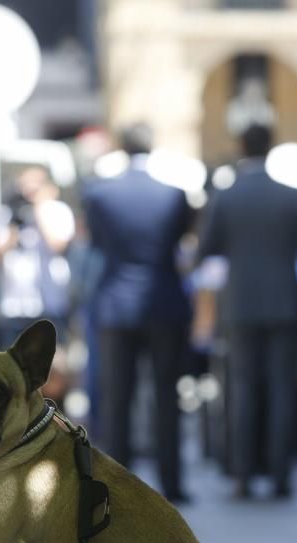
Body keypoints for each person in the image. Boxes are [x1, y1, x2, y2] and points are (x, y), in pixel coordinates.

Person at [198, 124, 297, 500]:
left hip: (241, 305)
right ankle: (281, 474)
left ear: (240, 146)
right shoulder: (294, 198)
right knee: (282, 389)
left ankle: (243, 474)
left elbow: (206, 250)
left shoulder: (226, 197)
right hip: (285, 305)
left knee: (243, 389)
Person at [83, 124, 194, 503]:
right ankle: (172, 482)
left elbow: (99, 244)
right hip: (164, 302)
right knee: (166, 396)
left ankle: (115, 482)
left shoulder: (100, 194)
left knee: (117, 397)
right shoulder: (174, 195)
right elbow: (178, 244)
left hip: (116, 304)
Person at [0, 165, 75, 348]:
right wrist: (14, 224)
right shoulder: (7, 213)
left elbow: (57, 244)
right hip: (13, 305)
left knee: (52, 366)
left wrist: (39, 209)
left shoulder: (56, 210)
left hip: (49, 303)